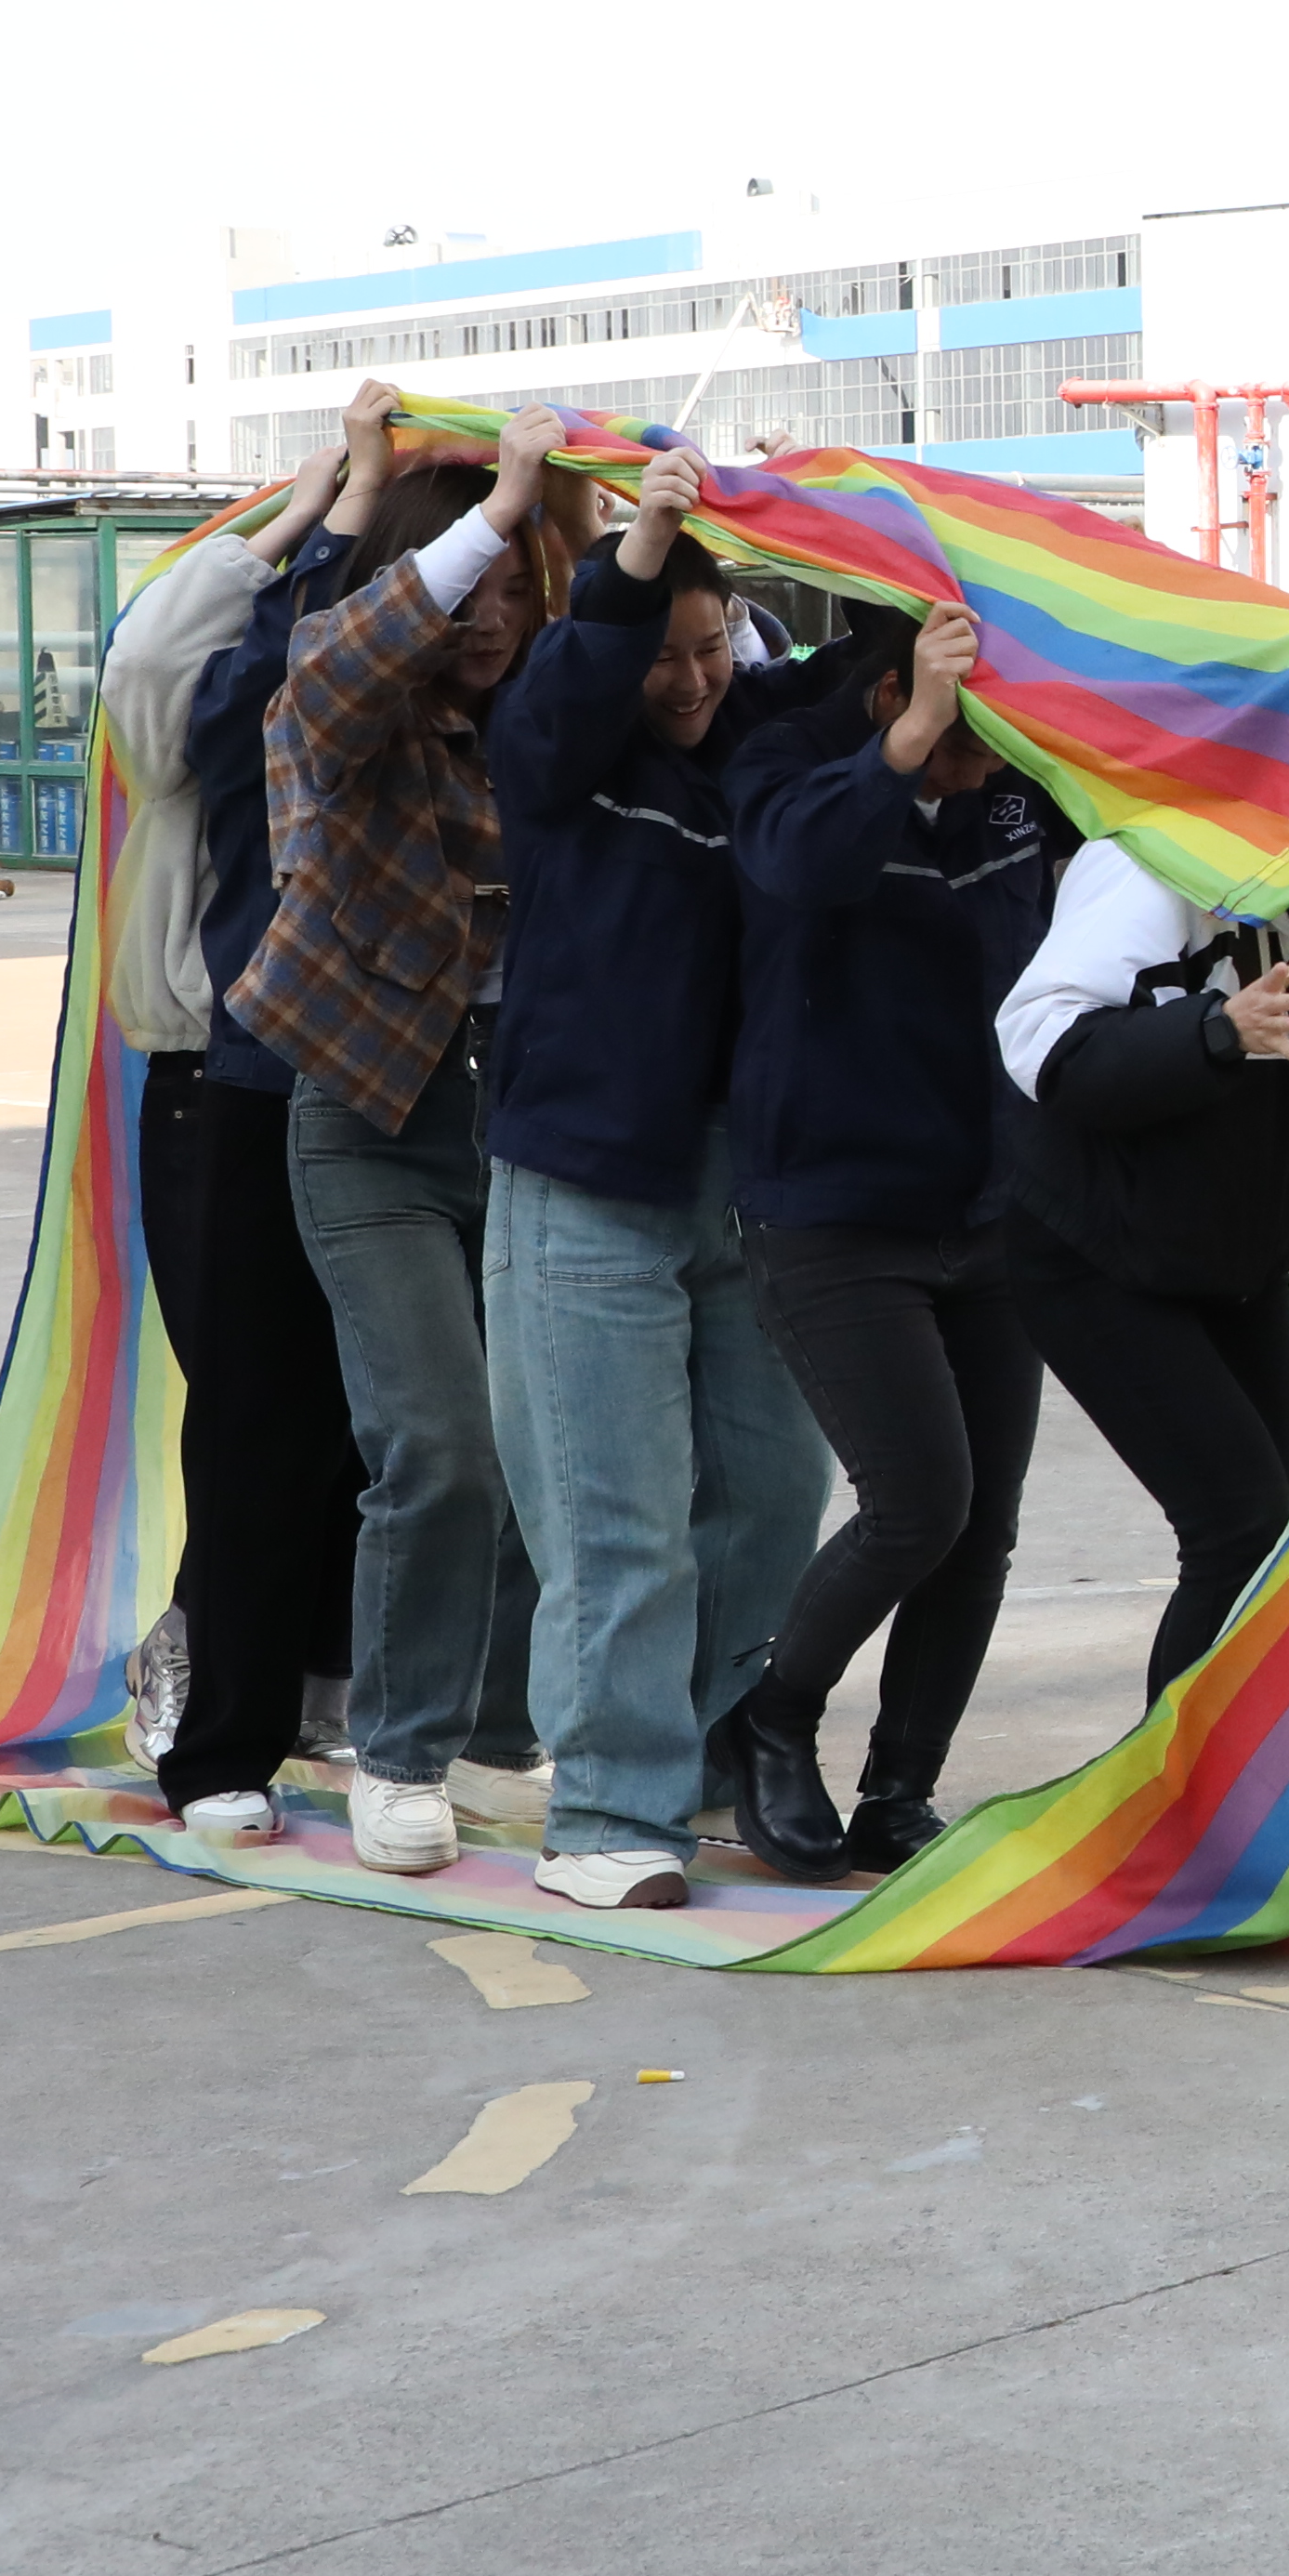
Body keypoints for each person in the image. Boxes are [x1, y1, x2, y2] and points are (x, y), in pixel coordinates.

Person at [469, 436, 842, 1913]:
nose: (686, 682)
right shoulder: (561, 760)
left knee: (767, 1496)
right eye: (662, 653)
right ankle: (609, 1814)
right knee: (612, 1515)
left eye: (713, 649)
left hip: (740, 1189)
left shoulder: (752, 755)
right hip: (582, 1187)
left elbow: (854, 682)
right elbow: (571, 685)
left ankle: (694, 1757)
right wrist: (632, 561)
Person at [235, 404, 570, 1889]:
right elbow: (335, 668)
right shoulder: (340, 700)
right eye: (472, 579)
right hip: (370, 1120)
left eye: (520, 584)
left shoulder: (555, 714)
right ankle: (402, 1752)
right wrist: (490, 511)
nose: (494, 617)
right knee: (432, 1439)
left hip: (531, 1120)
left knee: (534, 1443)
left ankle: (498, 1733)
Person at [722, 594, 1065, 1883]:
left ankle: (900, 1790)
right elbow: (802, 864)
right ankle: (772, 1718)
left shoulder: (1018, 787)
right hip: (832, 1208)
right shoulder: (791, 767)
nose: (994, 776)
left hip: (990, 1207)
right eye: (973, 746)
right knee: (918, 1501)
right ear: (896, 699)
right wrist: (917, 738)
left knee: (984, 1523)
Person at [105, 426, 359, 1835]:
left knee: (379, 1421)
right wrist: (308, 514)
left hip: (367, 1084)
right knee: (264, 1414)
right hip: (223, 1076)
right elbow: (146, 666)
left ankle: (316, 1684)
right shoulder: (215, 711)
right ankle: (216, 1728)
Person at [996, 842, 1289, 1691]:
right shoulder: (1148, 858)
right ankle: (1176, 1805)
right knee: (1234, 1520)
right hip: (1100, 1248)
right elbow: (1039, 1040)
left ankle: (1223, 1792)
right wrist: (1215, 1031)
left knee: (1259, 1534)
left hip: (1234, 1247)